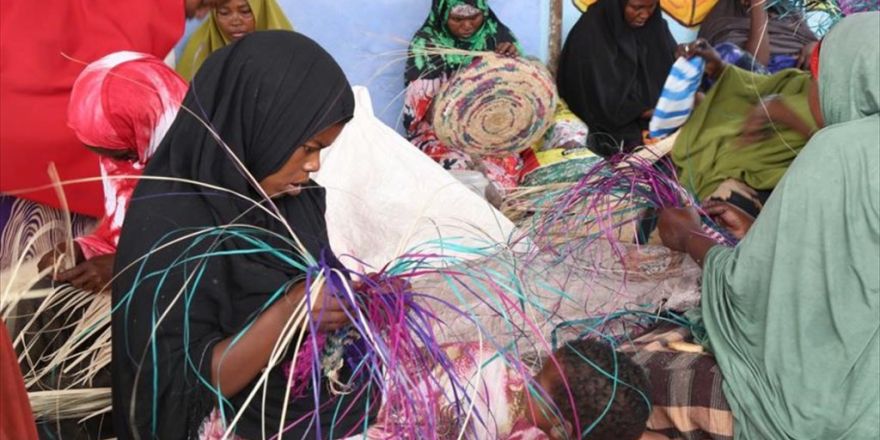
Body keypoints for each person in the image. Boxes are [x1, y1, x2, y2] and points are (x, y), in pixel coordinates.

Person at [111, 31, 374, 440]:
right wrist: (290, 312)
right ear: (259, 125)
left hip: (309, 407)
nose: (314, 165)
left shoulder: (294, 199)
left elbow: (320, 284)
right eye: (306, 147)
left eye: (323, 149)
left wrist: (351, 300)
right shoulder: (172, 226)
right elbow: (182, 388)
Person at [657, 12, 879, 439]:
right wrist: (761, 232)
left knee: (627, 377)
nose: (813, 93)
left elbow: (750, 295)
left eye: (816, 80)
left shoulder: (837, 151)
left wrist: (689, 237)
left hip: (821, 408)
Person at [33, 52, 189, 293]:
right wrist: (81, 250)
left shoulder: (212, 167)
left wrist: (127, 268)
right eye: (103, 155)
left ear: (151, 122)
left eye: (124, 155)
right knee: (41, 294)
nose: (116, 166)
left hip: (186, 301)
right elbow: (120, 232)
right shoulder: (138, 147)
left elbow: (214, 258)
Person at [404, 0, 590, 192]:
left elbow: (523, 90)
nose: (466, 25)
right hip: (444, 132)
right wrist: (465, 102)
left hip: (500, 124)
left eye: (473, 18)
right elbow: (422, 112)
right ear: (443, 15)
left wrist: (510, 63)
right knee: (470, 173)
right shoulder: (427, 45)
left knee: (564, 132)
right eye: (457, 19)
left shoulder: (497, 35)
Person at [361, 339, 651, 439]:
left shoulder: (488, 358)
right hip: (367, 406)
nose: (523, 377)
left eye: (537, 381)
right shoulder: (479, 394)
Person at [670, 39, 820, 216]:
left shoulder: (846, 111)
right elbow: (756, 87)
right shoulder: (802, 82)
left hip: (755, 171)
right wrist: (718, 67)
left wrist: (787, 116)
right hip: (723, 149)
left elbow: (832, 153)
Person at [556, 0, 677, 154]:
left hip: (655, 117)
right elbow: (591, 100)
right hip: (606, 121)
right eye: (637, 7)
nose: (645, 14)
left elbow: (672, 76)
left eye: (652, 6)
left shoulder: (656, 27)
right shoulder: (591, 31)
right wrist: (643, 112)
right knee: (632, 145)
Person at [177, 0, 293, 80]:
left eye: (245, 11)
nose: (235, 21)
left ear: (261, 12)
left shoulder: (289, 53)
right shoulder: (198, 55)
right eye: (224, 13)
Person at [699, 0, 818, 74]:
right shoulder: (724, 19)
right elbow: (754, 68)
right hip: (772, 88)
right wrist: (758, 6)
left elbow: (816, 44)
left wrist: (815, 47)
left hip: (808, 77)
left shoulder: (785, 10)